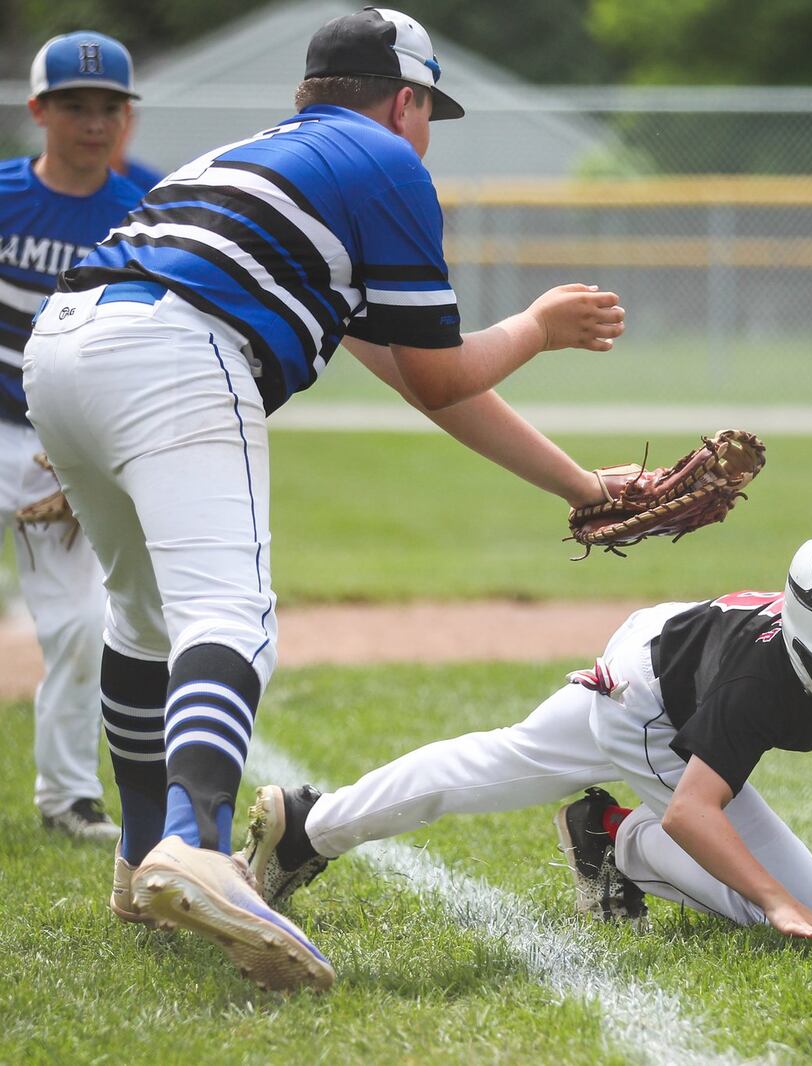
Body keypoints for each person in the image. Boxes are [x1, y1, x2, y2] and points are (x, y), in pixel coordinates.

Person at [21, 8, 626, 993]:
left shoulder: (258, 162)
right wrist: (541, 324)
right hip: (173, 353)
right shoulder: (384, 162)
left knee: (142, 619)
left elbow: (417, 375)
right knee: (229, 611)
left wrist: (583, 485)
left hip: (66, 348)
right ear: (405, 99)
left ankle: (140, 864)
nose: (426, 131)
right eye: (429, 109)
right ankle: (198, 843)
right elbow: (442, 374)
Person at [242, 527, 812, 950]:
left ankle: (310, 826)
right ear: (808, 642)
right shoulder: (763, 678)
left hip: (664, 646)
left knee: (501, 761)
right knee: (807, 901)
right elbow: (696, 811)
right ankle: (614, 837)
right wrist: (778, 904)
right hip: (652, 696)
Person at [1, 32, 145, 843]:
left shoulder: (147, 207)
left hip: (59, 449)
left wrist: (85, 451)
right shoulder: (4, 195)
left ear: (126, 117)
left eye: (107, 108)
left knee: (82, 625)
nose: (92, 123)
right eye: (73, 106)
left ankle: (66, 797)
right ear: (38, 111)